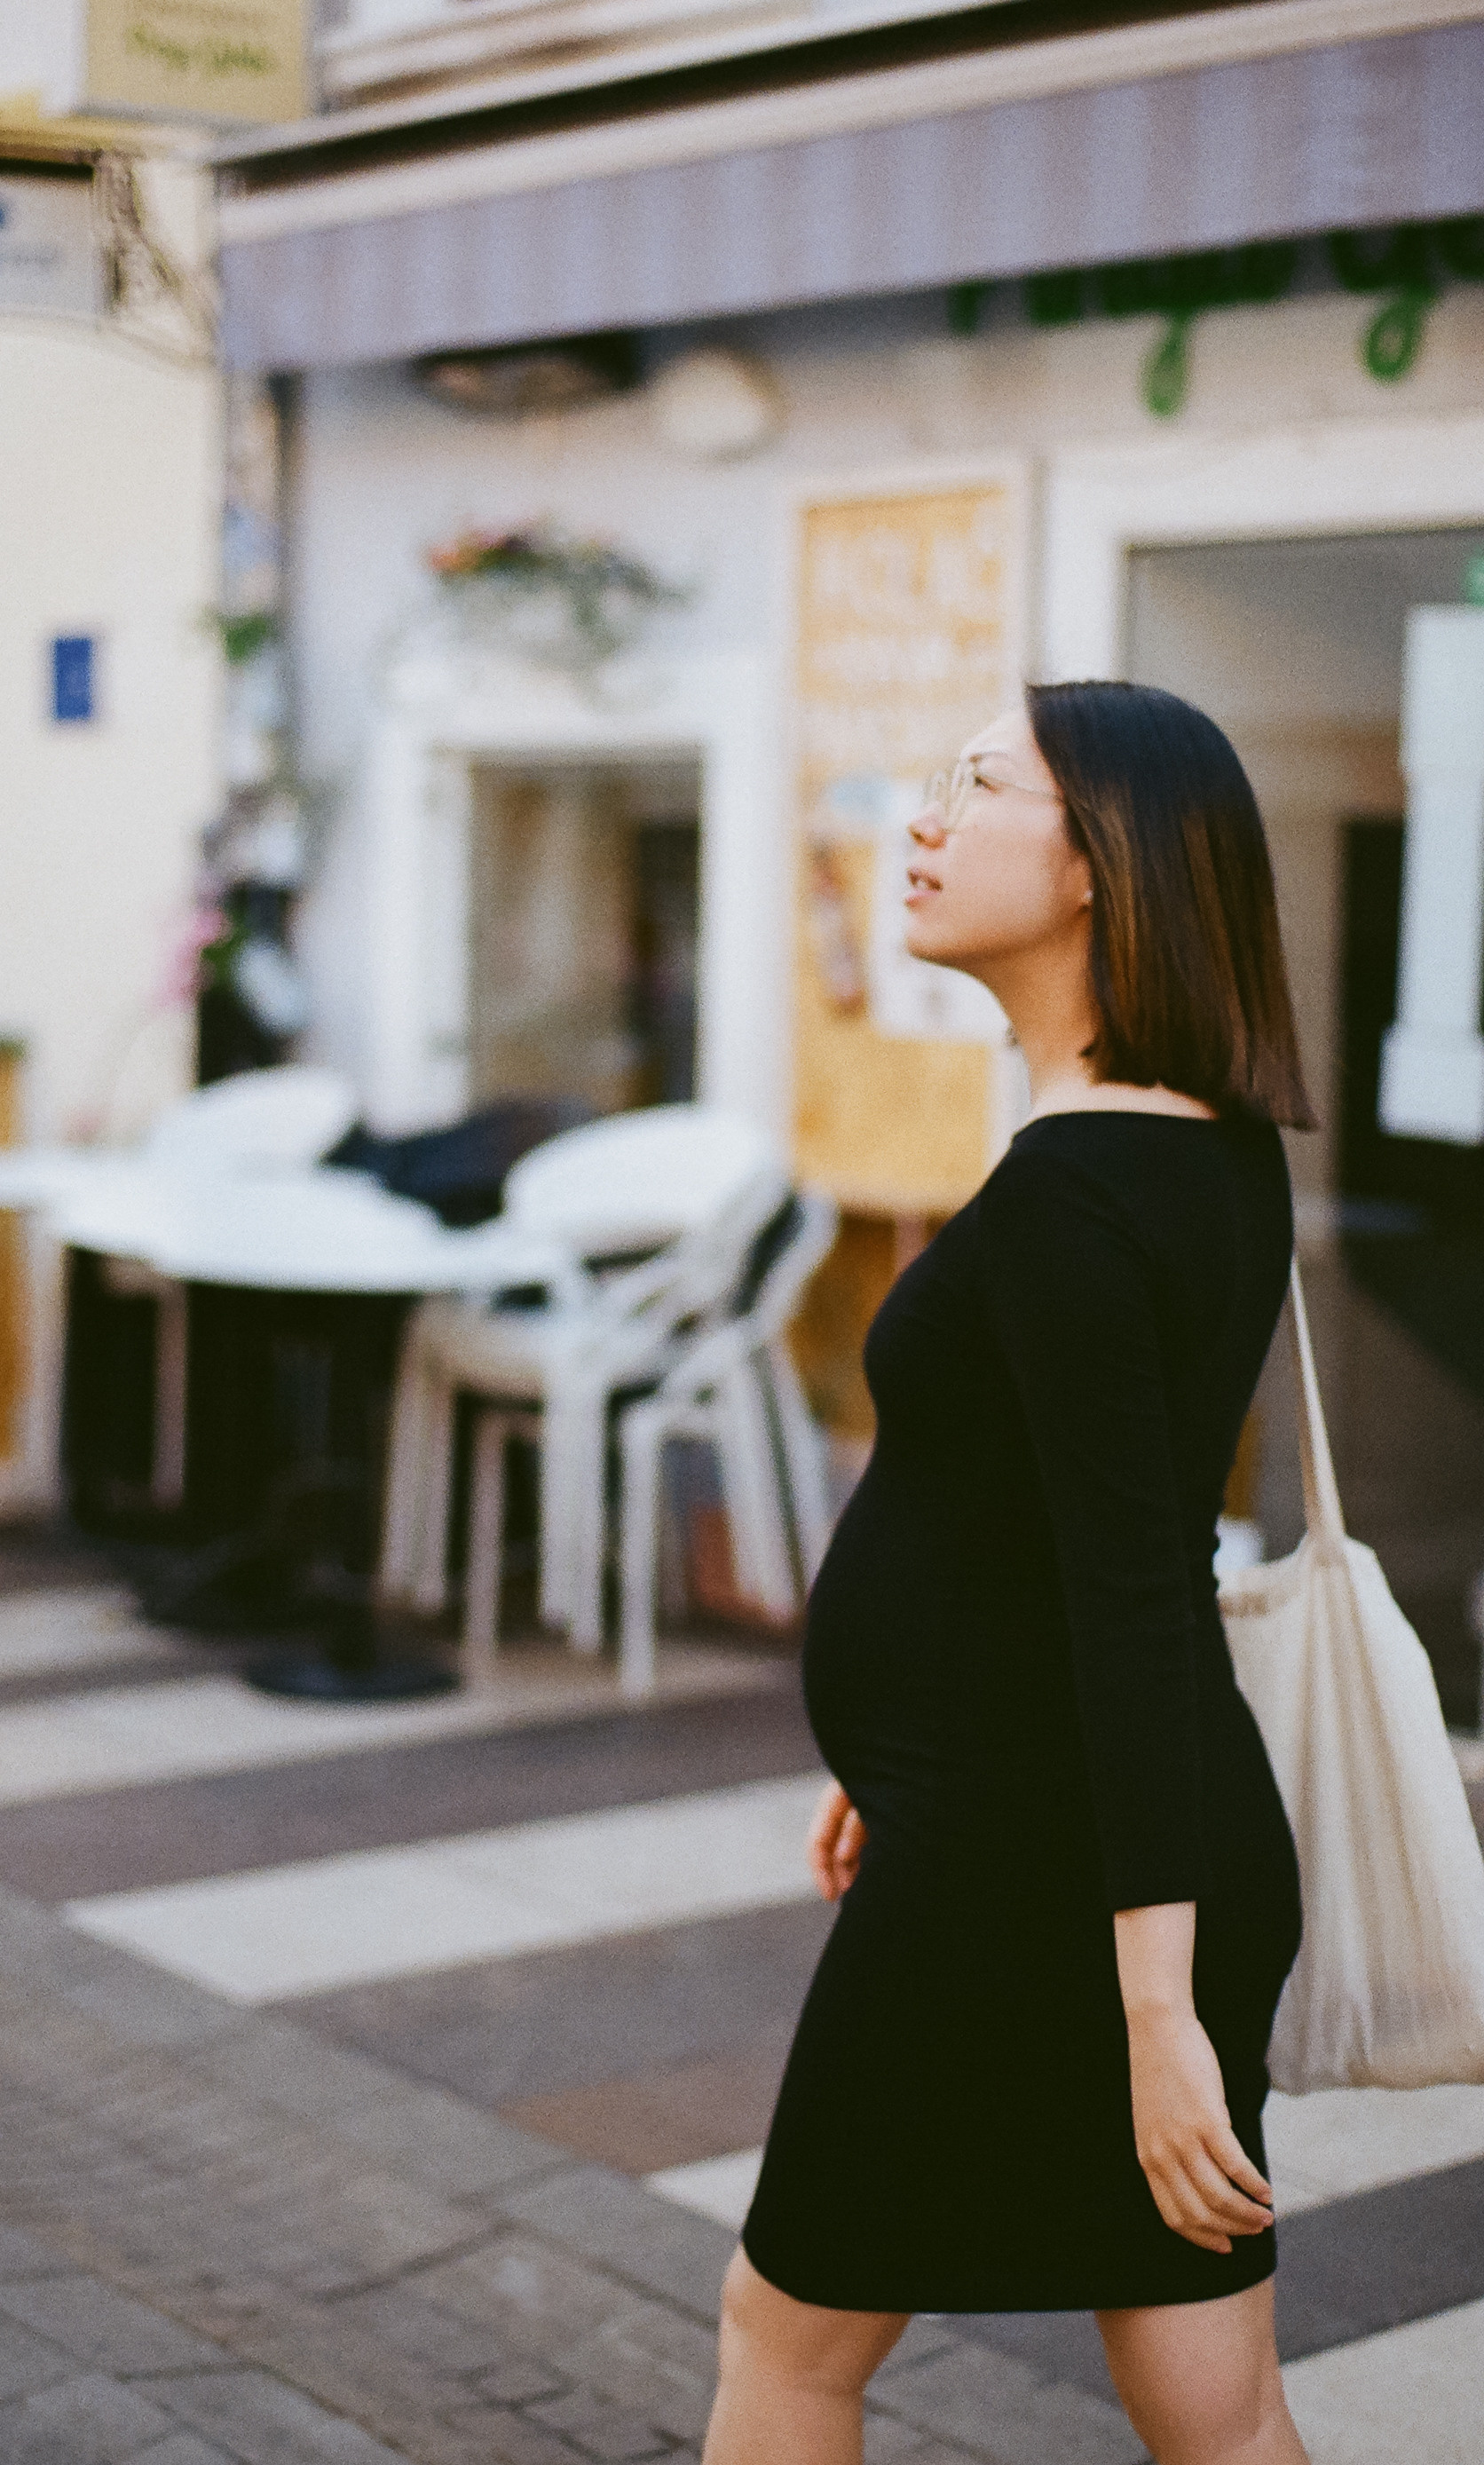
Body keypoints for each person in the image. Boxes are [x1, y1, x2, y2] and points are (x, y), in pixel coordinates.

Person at [701, 682, 1315, 2465]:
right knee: (1217, 2408)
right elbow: (1040, 1521)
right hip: (1058, 1825)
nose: (922, 820)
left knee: (787, 2342)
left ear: (1097, 861)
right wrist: (895, 1748)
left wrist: (1154, 2018)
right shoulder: (1202, 1149)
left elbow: (1130, 1589)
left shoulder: (1076, 1189)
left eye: (975, 786)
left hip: (1037, 1877)